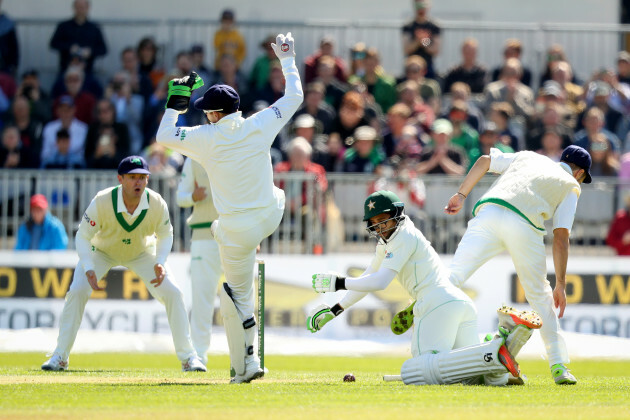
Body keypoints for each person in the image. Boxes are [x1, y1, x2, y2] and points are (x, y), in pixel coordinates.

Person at [156, 33, 302, 383]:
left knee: (239, 297)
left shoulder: (206, 138)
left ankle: (249, 362)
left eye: (206, 111)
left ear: (214, 113)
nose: (204, 116)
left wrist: (176, 102)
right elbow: (294, 96)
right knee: (275, 197)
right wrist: (287, 60)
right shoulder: (259, 124)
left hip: (234, 229)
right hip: (269, 216)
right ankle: (248, 366)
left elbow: (164, 137)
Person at [307, 190, 533, 386]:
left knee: (417, 370)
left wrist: (338, 282)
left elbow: (380, 282)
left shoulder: (402, 235)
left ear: (397, 214)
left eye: (384, 219)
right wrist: (336, 308)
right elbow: (368, 277)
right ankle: (501, 348)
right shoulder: (390, 240)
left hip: (435, 303)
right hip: (457, 302)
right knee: (473, 378)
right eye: (375, 221)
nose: (380, 226)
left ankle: (491, 351)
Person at [441, 145, 592, 385]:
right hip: (524, 223)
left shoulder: (528, 156)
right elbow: (561, 238)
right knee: (540, 296)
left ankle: (424, 318)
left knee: (452, 277)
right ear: (579, 173)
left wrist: (460, 195)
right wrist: (560, 284)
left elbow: (483, 160)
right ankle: (558, 366)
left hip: (488, 211)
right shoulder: (571, 185)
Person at [41, 156, 206, 372]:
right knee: (78, 290)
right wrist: (89, 267)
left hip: (141, 253)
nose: (138, 182)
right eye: (132, 177)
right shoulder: (102, 200)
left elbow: (166, 234)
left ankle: (189, 358)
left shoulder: (156, 203)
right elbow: (82, 236)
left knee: (173, 292)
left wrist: (160, 261)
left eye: (142, 178)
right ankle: (60, 356)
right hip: (101, 252)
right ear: (120, 179)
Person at [176, 157, 222, 366]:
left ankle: (246, 356)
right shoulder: (194, 160)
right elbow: (181, 197)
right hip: (204, 235)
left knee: (241, 298)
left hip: (236, 234)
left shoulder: (238, 149)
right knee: (202, 300)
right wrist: (193, 196)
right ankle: (199, 355)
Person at [49, 0, 107, 75]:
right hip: (66, 71)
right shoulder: (63, 26)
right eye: (78, 7)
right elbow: (53, 44)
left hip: (87, 72)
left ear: (88, 8)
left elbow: (103, 49)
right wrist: (69, 47)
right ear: (74, 8)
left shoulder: (95, 28)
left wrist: (90, 51)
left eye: (83, 7)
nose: (80, 10)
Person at [402, 0, 441, 80]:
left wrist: (423, 41)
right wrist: (418, 41)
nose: (421, 10)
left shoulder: (434, 27)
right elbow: (406, 49)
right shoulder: (408, 26)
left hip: (428, 68)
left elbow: (435, 50)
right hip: (411, 68)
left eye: (423, 6)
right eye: (418, 6)